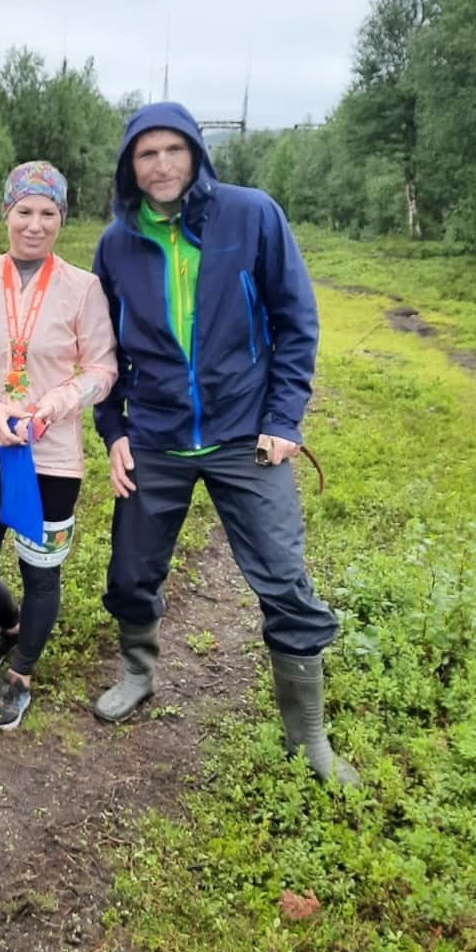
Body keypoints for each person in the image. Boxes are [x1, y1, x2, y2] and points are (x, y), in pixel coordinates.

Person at [91, 101, 358, 785]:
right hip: (155, 435)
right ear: (129, 166)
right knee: (130, 573)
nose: (161, 165)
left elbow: (295, 321)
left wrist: (285, 419)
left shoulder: (252, 215)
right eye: (146, 154)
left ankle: (308, 737)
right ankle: (137, 673)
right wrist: (114, 431)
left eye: (173, 150)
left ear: (196, 153)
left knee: (284, 578)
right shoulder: (117, 243)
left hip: (246, 433)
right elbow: (102, 350)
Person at [0, 162, 117, 730]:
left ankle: (20, 674)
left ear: (62, 218)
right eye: (24, 211)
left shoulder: (82, 288)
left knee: (40, 572)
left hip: (51, 455)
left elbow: (102, 368)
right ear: (6, 212)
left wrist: (57, 403)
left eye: (49, 213)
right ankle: (11, 624)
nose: (35, 225)